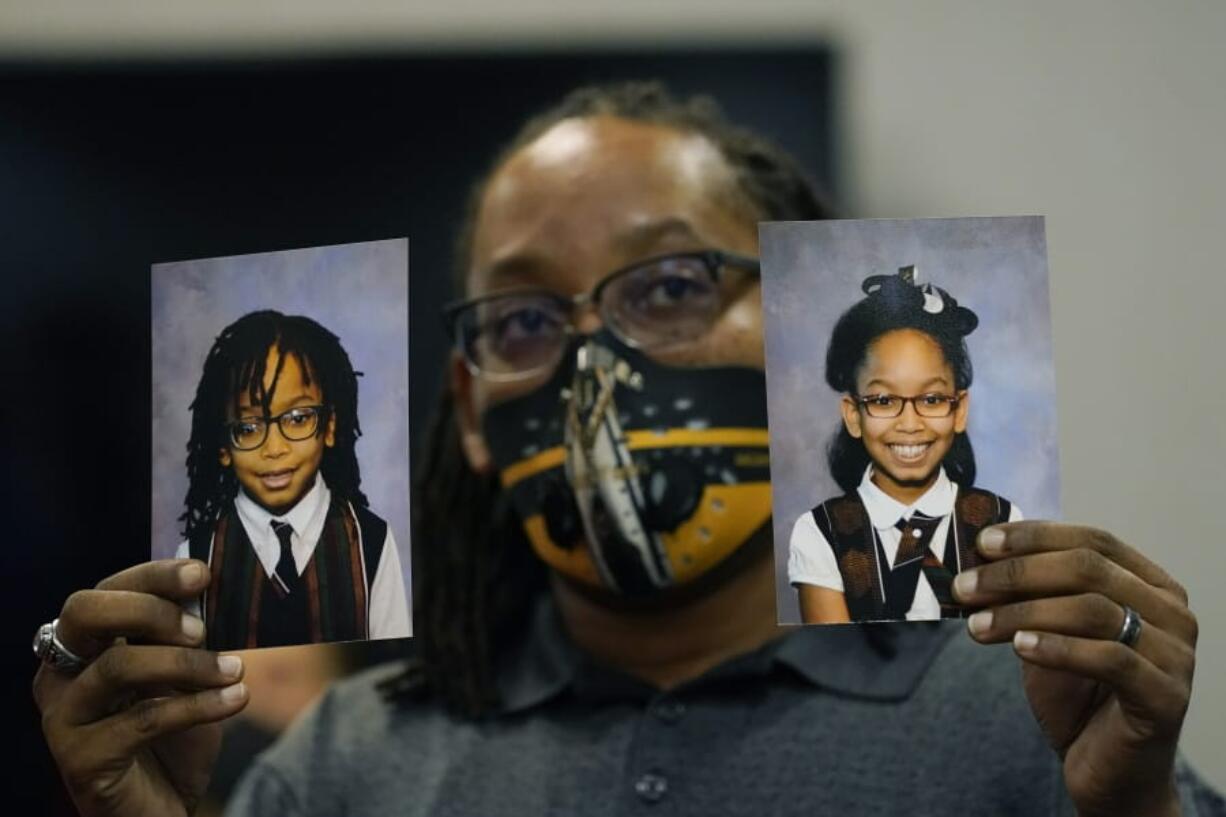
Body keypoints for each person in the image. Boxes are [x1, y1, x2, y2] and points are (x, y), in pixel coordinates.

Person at [32, 83, 1218, 816]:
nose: (592, 361)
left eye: (670, 284)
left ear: (800, 329)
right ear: (469, 413)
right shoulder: (348, 762)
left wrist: (1132, 810)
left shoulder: (1028, 710)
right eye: (526, 319)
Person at [789, 268, 1022, 624]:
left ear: (959, 410)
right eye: (883, 401)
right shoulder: (820, 533)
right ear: (853, 414)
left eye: (931, 399)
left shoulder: (1003, 523)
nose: (910, 424)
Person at [174, 309, 410, 650]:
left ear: (328, 427)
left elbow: (392, 670)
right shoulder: (196, 555)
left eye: (298, 418)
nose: (275, 448)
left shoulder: (371, 543)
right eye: (248, 427)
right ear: (223, 446)